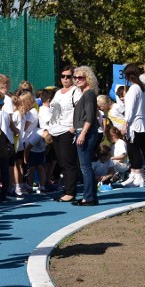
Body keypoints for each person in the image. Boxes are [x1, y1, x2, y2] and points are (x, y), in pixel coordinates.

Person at [48, 66, 80, 201]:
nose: (65, 79)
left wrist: (74, 127)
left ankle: (71, 192)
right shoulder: (58, 92)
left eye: (68, 76)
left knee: (69, 162)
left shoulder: (76, 91)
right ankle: (66, 189)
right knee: (61, 162)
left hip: (67, 130)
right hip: (55, 131)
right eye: (63, 76)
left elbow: (80, 110)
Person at [72, 66, 100, 205]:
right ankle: (91, 196)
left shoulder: (88, 94)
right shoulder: (85, 94)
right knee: (86, 166)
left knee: (85, 167)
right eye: (75, 77)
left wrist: (82, 133)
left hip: (86, 133)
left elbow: (90, 117)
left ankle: (88, 197)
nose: (77, 80)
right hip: (83, 131)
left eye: (81, 77)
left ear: (88, 78)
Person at [119, 63, 145, 187]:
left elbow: (130, 108)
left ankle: (139, 175)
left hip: (134, 123)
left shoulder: (134, 88)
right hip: (141, 122)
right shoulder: (142, 87)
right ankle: (134, 173)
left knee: (133, 149)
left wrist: (125, 124)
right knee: (135, 149)